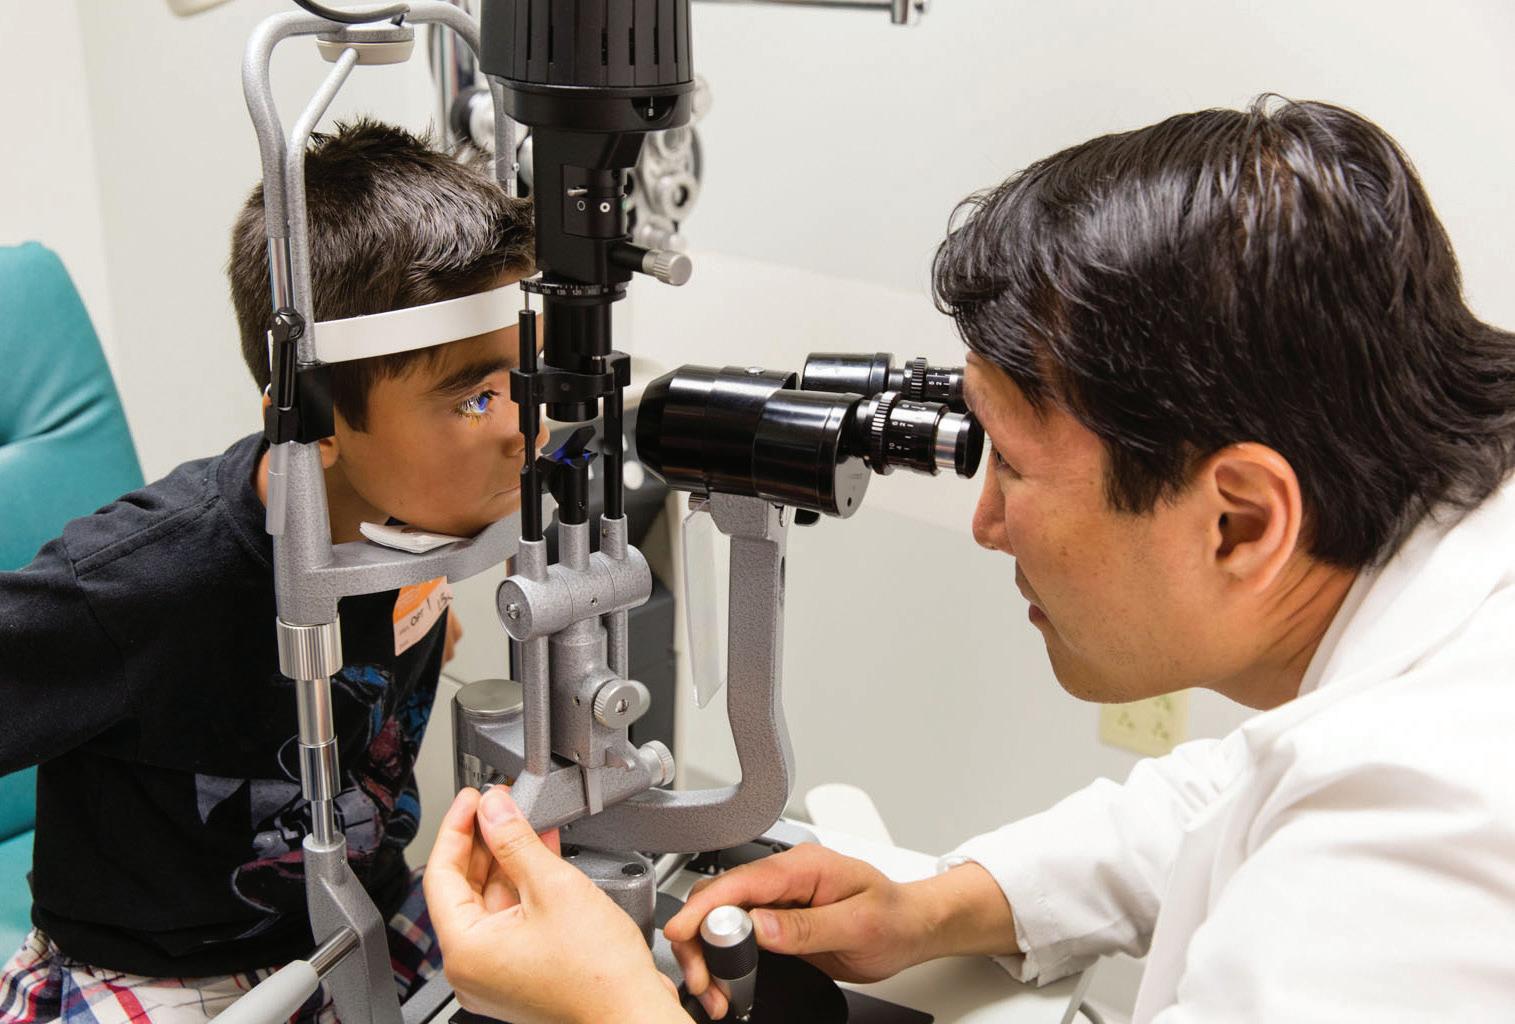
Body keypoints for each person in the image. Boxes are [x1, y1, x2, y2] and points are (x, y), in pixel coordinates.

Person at [423, 96, 1515, 1023]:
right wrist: (935, 906)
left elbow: (1327, 841)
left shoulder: (1413, 875)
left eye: (1016, 469)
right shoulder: (1450, 569)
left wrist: (616, 1008)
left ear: (1238, 522)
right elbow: (1229, 795)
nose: (986, 522)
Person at [0, 120, 539, 1023]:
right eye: (476, 397)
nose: (524, 429)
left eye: (529, 381)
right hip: (157, 971)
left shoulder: (419, 521)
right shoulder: (144, 583)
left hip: (360, 912)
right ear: (314, 417)